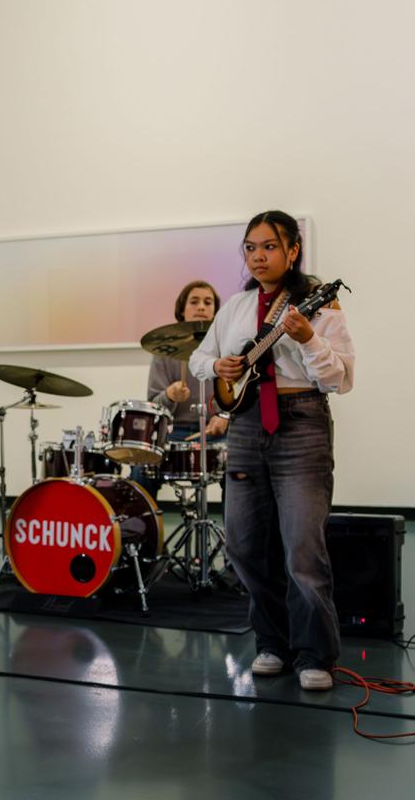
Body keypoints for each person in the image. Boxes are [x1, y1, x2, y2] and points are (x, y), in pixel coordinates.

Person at [188, 211, 354, 692]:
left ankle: (313, 653)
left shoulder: (319, 303)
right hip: (243, 427)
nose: (258, 257)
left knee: (303, 547)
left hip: (300, 423)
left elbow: (338, 379)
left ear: (293, 251)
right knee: (242, 543)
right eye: (250, 248)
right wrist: (217, 364)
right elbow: (201, 358)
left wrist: (308, 340)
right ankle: (271, 642)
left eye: (269, 247)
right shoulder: (236, 306)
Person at [135, 279, 226, 491]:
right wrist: (169, 395)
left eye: (208, 302)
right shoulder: (164, 352)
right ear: (182, 310)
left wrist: (224, 416)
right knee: (141, 469)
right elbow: (154, 406)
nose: (202, 307)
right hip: (174, 432)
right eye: (194, 302)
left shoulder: (227, 346)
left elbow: (241, 393)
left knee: (242, 469)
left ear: (215, 311)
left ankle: (235, 526)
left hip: (217, 433)